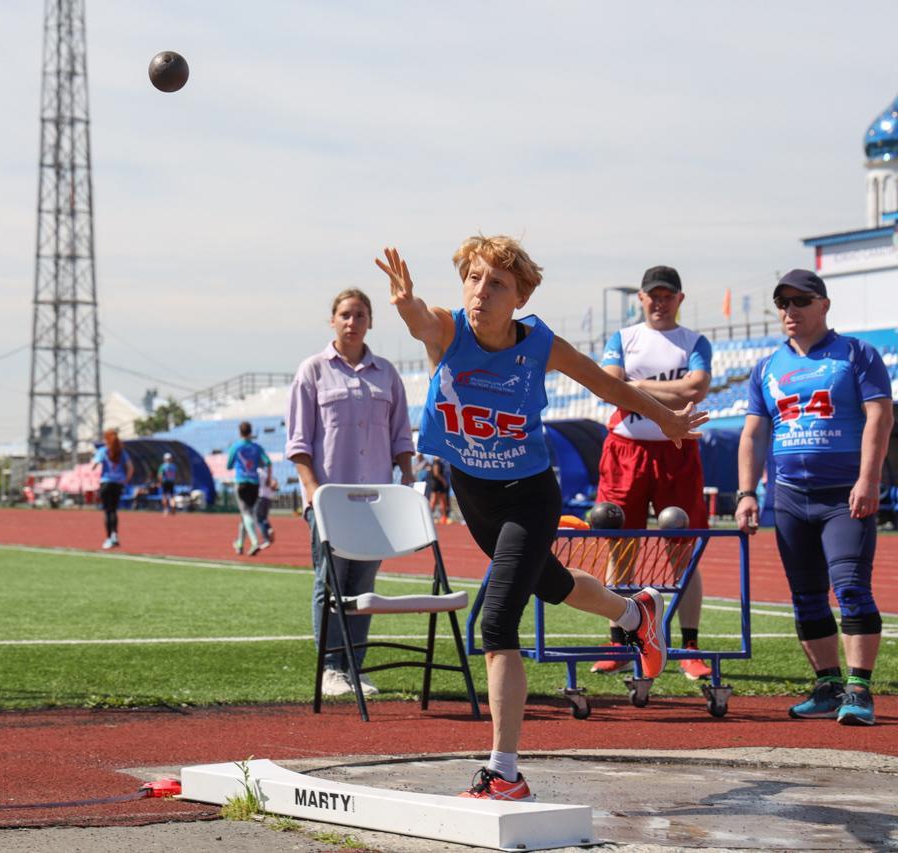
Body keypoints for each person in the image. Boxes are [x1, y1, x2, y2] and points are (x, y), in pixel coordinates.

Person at [377, 237, 705, 800]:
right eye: (474, 279)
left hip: (529, 494)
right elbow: (418, 321)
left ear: (521, 295)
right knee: (552, 584)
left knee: (497, 624)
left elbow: (611, 386)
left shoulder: (541, 345)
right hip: (473, 494)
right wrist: (405, 300)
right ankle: (636, 612)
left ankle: (505, 773)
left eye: (496, 283)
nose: (481, 292)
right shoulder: (448, 331)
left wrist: (669, 421)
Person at [737, 269, 893, 727]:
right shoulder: (767, 366)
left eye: (800, 301)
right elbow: (753, 433)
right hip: (788, 496)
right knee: (806, 595)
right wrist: (748, 493)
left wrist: (868, 480)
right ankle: (827, 685)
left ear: (824, 305)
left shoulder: (856, 354)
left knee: (849, 587)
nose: (791, 311)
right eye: (783, 303)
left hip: (843, 495)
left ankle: (860, 689)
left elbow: (879, 419)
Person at [287, 288, 415, 699]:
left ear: (370, 321)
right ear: (333, 320)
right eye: (345, 314)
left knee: (363, 588)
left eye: (360, 314)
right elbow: (299, 441)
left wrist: (408, 478)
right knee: (330, 585)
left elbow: (400, 433)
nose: (352, 321)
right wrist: (312, 492)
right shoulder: (313, 371)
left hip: (375, 501)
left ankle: (354, 667)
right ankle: (330, 666)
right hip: (329, 499)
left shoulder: (386, 374)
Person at [590, 265, 714, 680]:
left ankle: (689, 647)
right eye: (652, 296)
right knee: (619, 546)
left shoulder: (694, 341)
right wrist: (660, 387)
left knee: (683, 553)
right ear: (640, 299)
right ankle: (619, 643)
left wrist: (635, 386)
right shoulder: (623, 338)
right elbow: (609, 382)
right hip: (626, 449)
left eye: (667, 296)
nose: (659, 303)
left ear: (680, 299)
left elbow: (696, 388)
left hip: (677, 452)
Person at [226, 422, 272, 556]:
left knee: (246, 514)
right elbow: (267, 462)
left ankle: (254, 541)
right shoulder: (256, 447)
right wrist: (268, 478)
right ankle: (240, 544)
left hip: (241, 482)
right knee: (245, 515)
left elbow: (229, 465)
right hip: (254, 483)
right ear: (251, 432)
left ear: (240, 432)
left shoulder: (236, 446)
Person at [92, 429, 133, 550]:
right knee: (114, 511)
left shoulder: (103, 451)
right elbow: (130, 468)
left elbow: (94, 465)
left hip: (106, 483)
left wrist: (94, 466)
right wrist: (125, 480)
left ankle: (109, 538)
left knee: (107, 511)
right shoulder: (122, 452)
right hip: (118, 484)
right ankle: (115, 536)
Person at [255, 465, 277, 546]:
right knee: (264, 518)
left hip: (260, 496)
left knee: (259, 519)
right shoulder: (267, 473)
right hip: (268, 497)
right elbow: (275, 484)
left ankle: (266, 538)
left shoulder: (257, 472)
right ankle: (269, 529)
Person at [427, 455, 452, 524]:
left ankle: (444, 518)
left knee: (443, 501)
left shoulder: (439, 462)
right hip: (436, 484)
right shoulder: (436, 463)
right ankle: (427, 516)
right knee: (433, 501)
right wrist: (443, 481)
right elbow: (436, 473)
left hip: (439, 484)